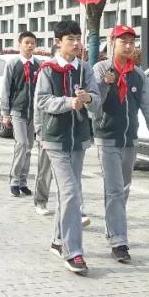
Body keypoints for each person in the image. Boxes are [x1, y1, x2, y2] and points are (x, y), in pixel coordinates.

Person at [91, 25, 149, 264]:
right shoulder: (100, 69)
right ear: (112, 43)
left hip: (129, 139)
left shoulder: (138, 74)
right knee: (113, 189)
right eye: (124, 41)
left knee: (123, 189)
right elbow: (92, 106)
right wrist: (104, 84)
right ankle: (119, 242)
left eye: (132, 42)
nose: (129, 46)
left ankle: (112, 226)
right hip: (106, 137)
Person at [36, 19, 100, 276]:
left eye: (78, 38)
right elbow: (42, 100)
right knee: (71, 192)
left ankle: (56, 239)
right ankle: (73, 252)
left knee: (68, 193)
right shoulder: (48, 70)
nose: (76, 43)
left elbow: (97, 102)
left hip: (79, 140)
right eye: (70, 39)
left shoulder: (85, 69)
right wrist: (67, 102)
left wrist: (89, 99)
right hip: (55, 139)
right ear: (57, 42)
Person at [2, 31, 40, 197]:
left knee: (29, 148)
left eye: (32, 43)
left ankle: (23, 182)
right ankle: (14, 180)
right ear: (20, 45)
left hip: (34, 112)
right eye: (26, 43)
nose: (30, 45)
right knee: (22, 144)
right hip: (17, 111)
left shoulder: (39, 65)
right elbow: (6, 89)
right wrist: (5, 113)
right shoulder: (13, 64)